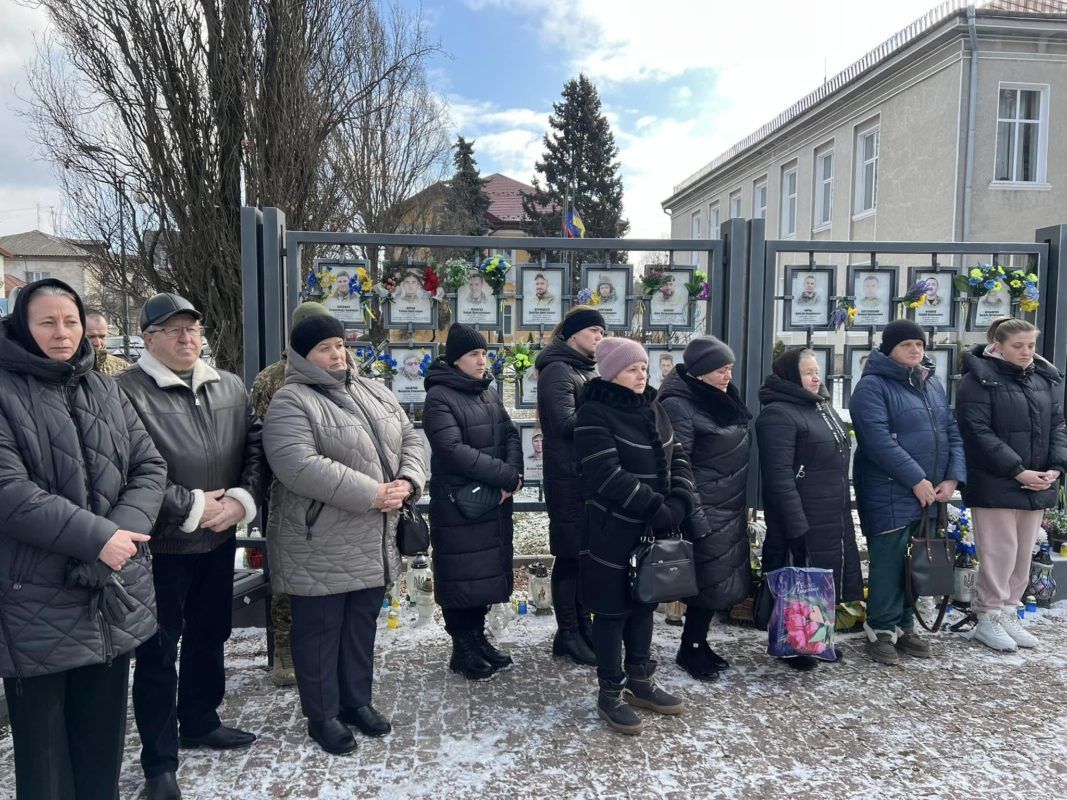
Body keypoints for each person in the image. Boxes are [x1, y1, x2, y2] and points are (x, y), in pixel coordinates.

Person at [0, 278, 166, 800]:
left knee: (101, 753)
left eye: (70, 321)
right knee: (46, 763)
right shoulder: (4, 389)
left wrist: (116, 539)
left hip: (109, 591)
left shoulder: (104, 387)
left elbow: (149, 467)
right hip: (35, 599)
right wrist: (98, 539)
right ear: (21, 326)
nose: (62, 333)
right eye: (47, 322)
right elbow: (8, 490)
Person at [117, 293, 267, 800]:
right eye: (174, 330)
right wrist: (194, 507)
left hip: (218, 538)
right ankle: (160, 764)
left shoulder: (228, 385)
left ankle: (200, 719)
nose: (187, 338)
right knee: (158, 652)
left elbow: (255, 447)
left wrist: (241, 502)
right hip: (159, 546)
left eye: (193, 328)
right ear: (148, 338)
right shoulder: (124, 393)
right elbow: (129, 470)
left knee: (210, 634)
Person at [262, 313, 426, 755]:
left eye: (339, 345)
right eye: (324, 348)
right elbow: (297, 464)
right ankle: (323, 716)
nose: (336, 354)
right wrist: (373, 493)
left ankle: (356, 702)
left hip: (373, 536)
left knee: (359, 627)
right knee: (319, 631)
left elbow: (410, 437)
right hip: (319, 539)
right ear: (302, 356)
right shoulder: (291, 400)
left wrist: (408, 481)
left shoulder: (373, 389)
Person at [576, 338, 693, 735]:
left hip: (653, 528)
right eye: (632, 369)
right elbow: (605, 473)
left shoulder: (653, 406)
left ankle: (641, 680)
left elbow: (678, 455)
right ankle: (610, 693)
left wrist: (679, 500)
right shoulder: (594, 412)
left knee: (645, 603)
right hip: (613, 529)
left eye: (643, 367)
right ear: (612, 373)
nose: (641, 375)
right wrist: (653, 506)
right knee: (612, 612)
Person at [850, 319, 966, 666]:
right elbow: (877, 440)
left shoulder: (931, 383)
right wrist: (916, 478)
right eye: (906, 345)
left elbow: (951, 431)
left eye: (919, 344)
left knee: (915, 561)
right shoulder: (872, 386)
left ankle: (904, 626)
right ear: (889, 349)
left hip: (930, 493)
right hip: (889, 490)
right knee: (889, 563)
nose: (915, 350)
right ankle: (880, 630)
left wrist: (952, 478)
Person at [955, 318, 1067, 651]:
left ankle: (1008, 611)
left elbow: (1057, 424)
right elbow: (977, 432)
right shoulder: (978, 380)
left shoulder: (1042, 378)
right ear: (998, 345)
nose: (1026, 352)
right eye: (1018, 346)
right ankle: (988, 615)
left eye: (1030, 345)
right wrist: (1018, 471)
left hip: (1037, 481)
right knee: (999, 552)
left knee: (1023, 552)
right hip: (995, 482)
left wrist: (1055, 468)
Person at [423, 324, 522, 680]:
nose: (482, 361)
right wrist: (504, 476)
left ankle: (477, 638)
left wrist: (514, 473)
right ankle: (461, 646)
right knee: (460, 575)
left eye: (484, 354)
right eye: (473, 355)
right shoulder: (440, 397)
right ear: (455, 360)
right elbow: (451, 450)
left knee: (482, 574)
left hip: (491, 503)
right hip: (460, 505)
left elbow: (510, 434)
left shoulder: (487, 393)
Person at [756, 348, 863, 670]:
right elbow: (778, 477)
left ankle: (817, 639)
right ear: (791, 375)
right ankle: (794, 645)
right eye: (807, 373)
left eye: (817, 371)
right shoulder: (778, 414)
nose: (816, 378)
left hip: (831, 510)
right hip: (802, 513)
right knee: (799, 579)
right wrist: (795, 523)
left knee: (821, 580)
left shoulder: (820, 406)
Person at [657, 336, 752, 681]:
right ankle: (690, 648)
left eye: (730, 368)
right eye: (720, 369)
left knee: (715, 582)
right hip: (704, 508)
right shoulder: (679, 404)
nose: (728, 375)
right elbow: (677, 463)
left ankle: (698, 642)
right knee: (706, 582)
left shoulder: (721, 396)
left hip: (728, 505)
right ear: (699, 371)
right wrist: (694, 516)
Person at [250, 300, 334, 688]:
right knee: (287, 575)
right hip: (287, 492)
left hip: (333, 491)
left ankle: (325, 648)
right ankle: (283, 649)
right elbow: (264, 438)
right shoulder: (272, 379)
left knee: (329, 573)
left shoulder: (339, 372)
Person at [535, 305, 607, 666]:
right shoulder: (558, 369)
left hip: (586, 476)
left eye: (602, 332)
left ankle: (582, 626)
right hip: (567, 477)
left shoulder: (584, 368)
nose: (599, 337)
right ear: (573, 333)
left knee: (583, 556)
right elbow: (564, 424)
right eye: (593, 330)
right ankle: (567, 634)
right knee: (568, 555)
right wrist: (606, 409)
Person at [85, 309, 130, 375]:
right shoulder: (71, 369)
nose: (98, 343)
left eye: (102, 337)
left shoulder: (122, 368)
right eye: (91, 337)